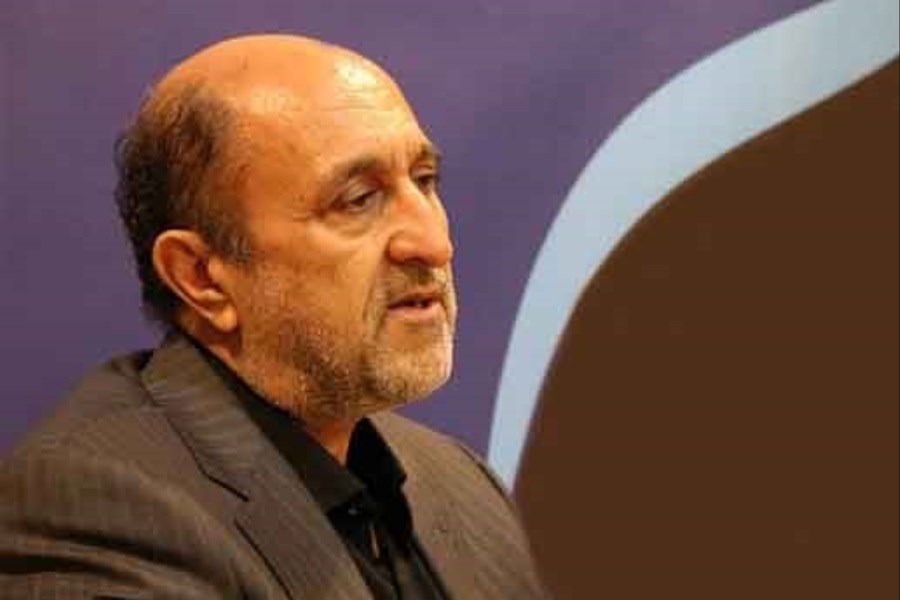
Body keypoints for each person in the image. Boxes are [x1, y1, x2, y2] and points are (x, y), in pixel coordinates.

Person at [0, 34, 548, 600]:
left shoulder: (462, 485)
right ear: (201, 278)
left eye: (425, 180)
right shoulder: (98, 510)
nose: (434, 243)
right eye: (359, 199)